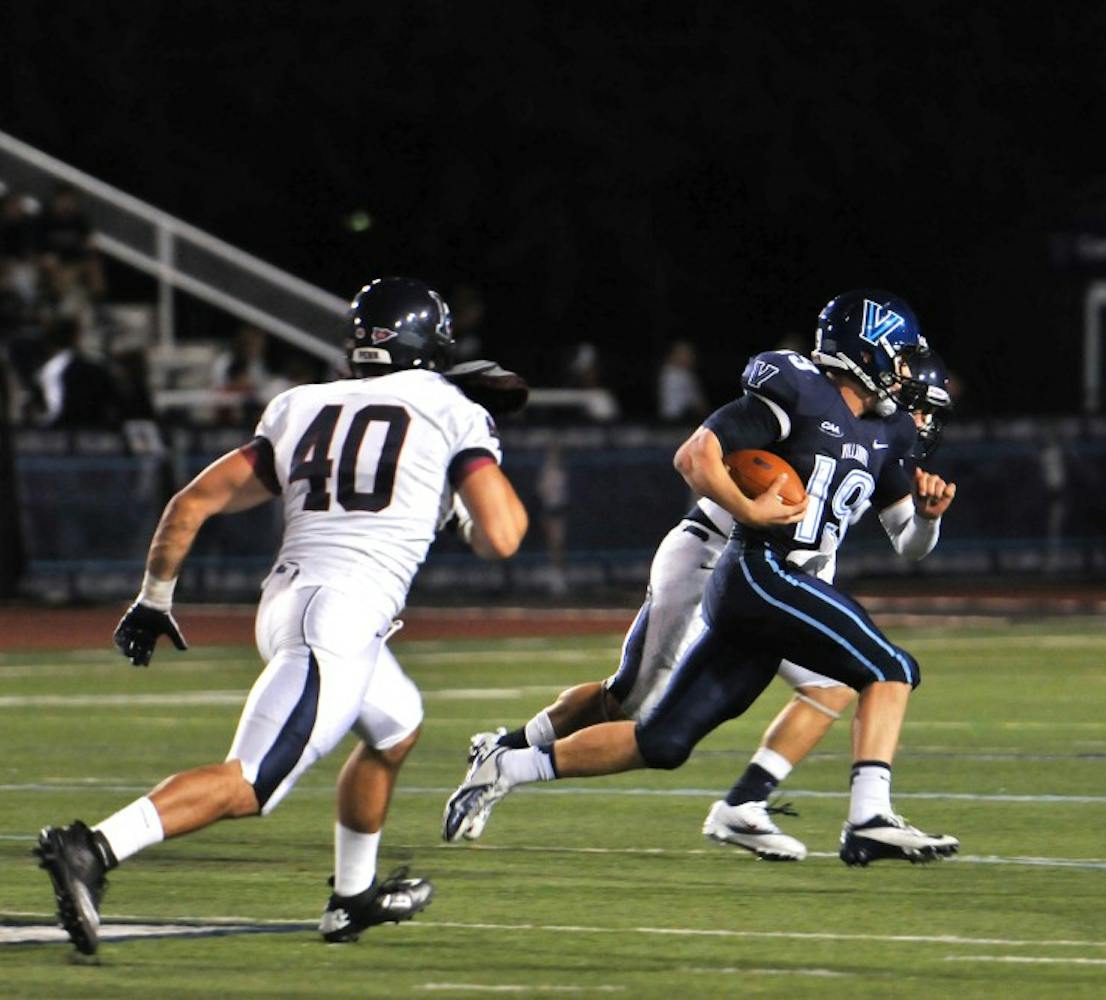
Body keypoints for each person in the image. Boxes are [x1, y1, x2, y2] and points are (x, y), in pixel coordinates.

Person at [34, 276, 531, 955]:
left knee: (396, 728)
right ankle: (92, 847)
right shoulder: (449, 408)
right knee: (251, 783)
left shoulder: (301, 404)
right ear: (433, 345)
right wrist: (470, 473)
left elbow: (191, 502)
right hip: (340, 617)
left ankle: (352, 897)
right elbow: (501, 537)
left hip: (292, 605)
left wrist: (154, 600)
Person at [443, 290, 961, 866]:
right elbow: (695, 455)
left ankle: (729, 804)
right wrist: (749, 508)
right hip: (727, 560)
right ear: (867, 350)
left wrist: (930, 518)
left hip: (780, 584)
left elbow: (910, 543)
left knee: (664, 742)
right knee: (629, 699)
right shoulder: (800, 389)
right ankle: (865, 818)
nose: (906, 372)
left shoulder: (886, 434)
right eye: (900, 356)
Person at [657, 339, 708, 422]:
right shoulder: (677, 375)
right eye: (684, 354)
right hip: (679, 421)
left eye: (690, 354)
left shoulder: (669, 372)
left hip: (673, 419)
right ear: (673, 355)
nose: (690, 358)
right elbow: (699, 405)